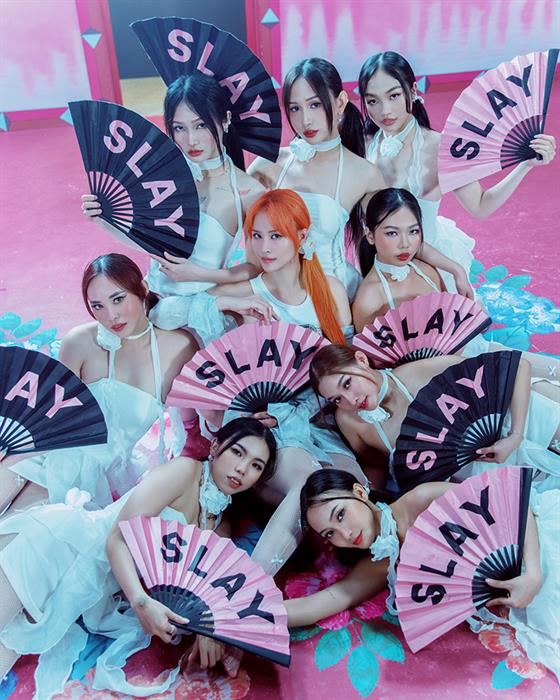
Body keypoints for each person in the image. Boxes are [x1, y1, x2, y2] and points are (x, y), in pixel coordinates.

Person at [163, 190, 368, 576]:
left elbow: (343, 372)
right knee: (308, 481)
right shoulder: (248, 291)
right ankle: (248, 585)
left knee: (351, 490)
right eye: (256, 236)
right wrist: (227, 304)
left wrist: (301, 410)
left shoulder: (331, 291)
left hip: (318, 422)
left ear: (302, 238)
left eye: (276, 236)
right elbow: (163, 311)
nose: (264, 247)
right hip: (264, 431)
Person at [0, 418, 277, 698]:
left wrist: (209, 630)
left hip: (98, 589)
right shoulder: (184, 471)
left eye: (256, 466)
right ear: (215, 447)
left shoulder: (220, 524)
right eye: (237, 452)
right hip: (65, 548)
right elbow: (116, 538)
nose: (242, 469)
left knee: (12, 647)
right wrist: (140, 601)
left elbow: (205, 589)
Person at [284, 468, 559, 683]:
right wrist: (259, 614)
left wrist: (533, 574)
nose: (344, 534)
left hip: (536, 544)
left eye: (341, 515)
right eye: (330, 533)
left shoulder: (422, 499)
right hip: (518, 591)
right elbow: (323, 602)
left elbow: (513, 498)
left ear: (359, 492)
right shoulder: (380, 564)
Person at [248, 58, 469, 300]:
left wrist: (454, 268)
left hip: (333, 294)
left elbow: (396, 232)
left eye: (315, 105)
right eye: (294, 108)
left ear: (341, 102)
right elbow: (241, 233)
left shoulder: (364, 174)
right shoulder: (268, 165)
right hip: (275, 293)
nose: (305, 120)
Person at [2, 253, 197, 510]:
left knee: (25, 532)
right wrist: (10, 456)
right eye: (97, 306)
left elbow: (194, 424)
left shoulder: (180, 347)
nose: (111, 316)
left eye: (118, 299)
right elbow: (50, 421)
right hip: (48, 456)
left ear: (142, 289)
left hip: (98, 482)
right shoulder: (79, 341)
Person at [358, 51, 556, 290]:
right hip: (376, 262)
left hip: (430, 266)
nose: (385, 111)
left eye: (394, 96)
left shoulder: (439, 147)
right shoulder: (362, 144)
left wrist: (525, 166)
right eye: (373, 101)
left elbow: (481, 205)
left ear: (412, 90)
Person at [353, 187, 560, 381]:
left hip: (471, 352)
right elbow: (379, 367)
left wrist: (457, 271)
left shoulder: (425, 269)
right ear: (370, 235)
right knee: (534, 396)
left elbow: (454, 325)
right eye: (392, 233)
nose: (405, 243)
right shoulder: (370, 297)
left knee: (551, 371)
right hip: (435, 385)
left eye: (413, 231)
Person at [308, 344, 560, 491]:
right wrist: (365, 495)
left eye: (347, 383)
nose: (350, 400)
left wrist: (515, 435)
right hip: (488, 477)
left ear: (361, 360)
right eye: (337, 399)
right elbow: (376, 466)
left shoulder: (419, 372)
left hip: (521, 422)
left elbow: (517, 366)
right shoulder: (350, 420)